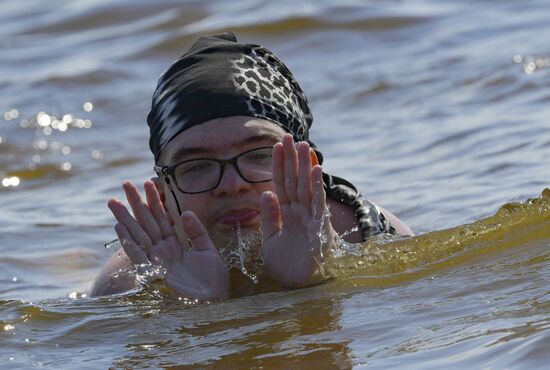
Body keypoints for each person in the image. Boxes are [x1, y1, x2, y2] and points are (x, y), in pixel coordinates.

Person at [90, 32, 412, 299]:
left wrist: (314, 279)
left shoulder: (371, 234)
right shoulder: (127, 282)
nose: (231, 185)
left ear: (306, 167)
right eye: (197, 166)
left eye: (259, 155)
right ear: (163, 195)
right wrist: (190, 308)